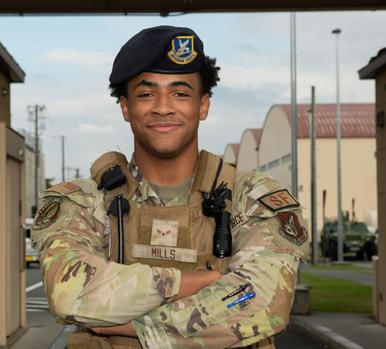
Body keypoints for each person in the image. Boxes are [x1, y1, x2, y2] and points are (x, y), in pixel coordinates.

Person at [32, 25, 310, 349]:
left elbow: (265, 298)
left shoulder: (252, 197)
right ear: (125, 107)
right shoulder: (83, 201)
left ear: (203, 105)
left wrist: (138, 327)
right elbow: (69, 292)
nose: (163, 107)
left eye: (180, 93)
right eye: (146, 94)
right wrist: (191, 283)